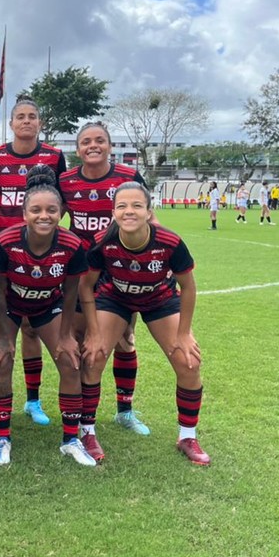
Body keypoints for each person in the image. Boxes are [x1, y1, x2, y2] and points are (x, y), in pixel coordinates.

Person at [79, 181, 210, 466]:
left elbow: (187, 286)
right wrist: (92, 331)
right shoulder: (102, 241)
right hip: (115, 298)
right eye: (122, 206)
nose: (129, 211)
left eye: (137, 205)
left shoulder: (170, 242)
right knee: (93, 356)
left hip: (159, 299)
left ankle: (187, 436)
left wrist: (184, 333)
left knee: (189, 361)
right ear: (113, 212)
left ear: (149, 211)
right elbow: (85, 286)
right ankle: (86, 431)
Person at [0, 166, 93, 467]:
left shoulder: (72, 245)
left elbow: (71, 290)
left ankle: (70, 440)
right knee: (2, 360)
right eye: (36, 210)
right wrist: (5, 337)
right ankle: (3, 438)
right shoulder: (5, 242)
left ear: (61, 213)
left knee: (70, 362)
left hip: (48, 306)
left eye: (51, 210)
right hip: (10, 305)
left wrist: (65, 335)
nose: (43, 215)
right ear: (24, 213)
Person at [59, 121, 152, 449]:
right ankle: (86, 419)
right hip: (83, 273)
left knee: (126, 339)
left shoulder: (128, 177)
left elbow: (148, 219)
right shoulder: (66, 181)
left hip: (122, 272)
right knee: (87, 343)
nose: (92, 146)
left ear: (110, 145)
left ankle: (125, 411)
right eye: (86, 141)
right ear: (78, 148)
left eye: (99, 140)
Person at [0, 96, 68, 426]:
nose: (26, 121)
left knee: (33, 332)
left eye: (32, 116)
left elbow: (60, 201)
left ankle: (33, 401)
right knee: (2, 333)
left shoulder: (54, 157)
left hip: (40, 258)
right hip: (2, 258)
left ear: (40, 122)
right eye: (20, 116)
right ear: (11, 122)